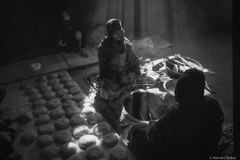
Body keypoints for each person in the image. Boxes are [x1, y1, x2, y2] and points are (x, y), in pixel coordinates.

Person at [127, 68, 224, 160]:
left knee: (136, 132)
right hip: (206, 152)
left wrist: (153, 124)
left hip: (181, 155)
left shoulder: (176, 114)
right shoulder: (213, 104)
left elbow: (152, 136)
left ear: (178, 91)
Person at [94, 18, 141, 131]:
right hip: (111, 78)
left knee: (135, 78)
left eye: (119, 31)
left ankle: (124, 88)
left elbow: (133, 61)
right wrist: (111, 79)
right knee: (107, 91)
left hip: (122, 74)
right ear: (110, 33)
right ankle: (122, 89)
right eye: (115, 33)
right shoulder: (104, 48)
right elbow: (103, 71)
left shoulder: (125, 44)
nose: (118, 34)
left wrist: (134, 72)